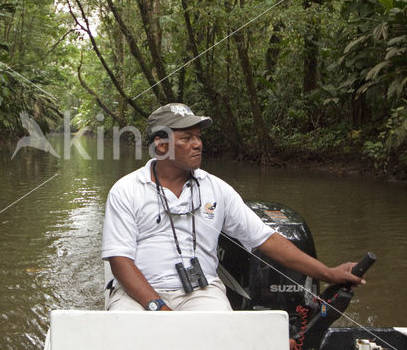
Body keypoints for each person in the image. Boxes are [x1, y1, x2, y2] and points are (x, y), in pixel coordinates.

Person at [101, 103, 364, 314]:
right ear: (161, 145)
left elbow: (267, 239)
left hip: (200, 292)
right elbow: (120, 261)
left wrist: (328, 272)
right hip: (137, 294)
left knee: (224, 335)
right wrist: (159, 307)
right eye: (187, 137)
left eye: (199, 137)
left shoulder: (217, 189)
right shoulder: (126, 190)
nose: (198, 144)